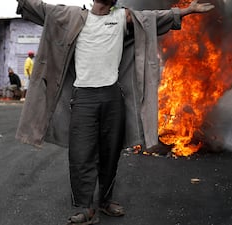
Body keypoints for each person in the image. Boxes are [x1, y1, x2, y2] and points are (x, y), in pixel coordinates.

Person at [14, 0, 214, 224]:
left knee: (110, 152)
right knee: (81, 154)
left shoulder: (123, 17)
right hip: (83, 98)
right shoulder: (71, 16)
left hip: (112, 97)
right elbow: (37, 7)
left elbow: (154, 17)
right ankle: (86, 207)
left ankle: (105, 201)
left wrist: (187, 10)